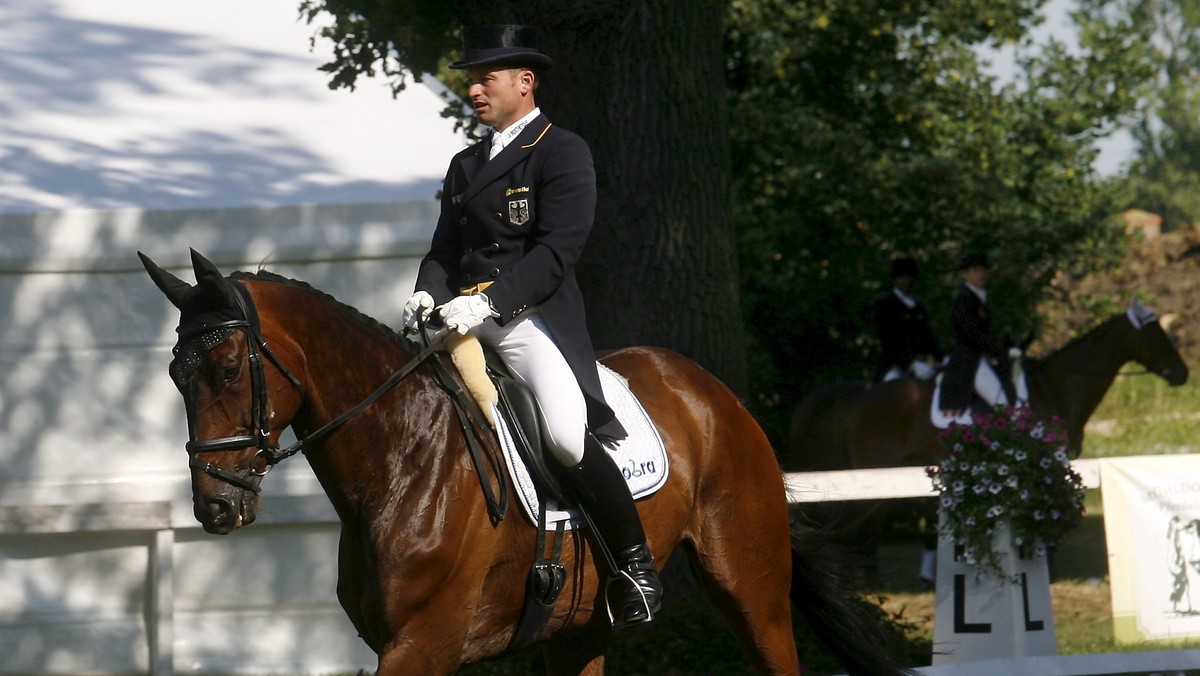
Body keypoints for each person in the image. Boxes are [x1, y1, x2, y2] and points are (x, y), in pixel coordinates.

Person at [400, 24, 662, 628]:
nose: (473, 89)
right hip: (459, 321)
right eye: (470, 79)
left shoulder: (561, 150)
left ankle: (634, 564)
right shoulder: (465, 164)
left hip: (526, 319)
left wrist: (489, 304)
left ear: (525, 81)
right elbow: (443, 251)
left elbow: (556, 253)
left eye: (485, 78)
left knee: (568, 437)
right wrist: (425, 292)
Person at [939, 252, 1018, 412]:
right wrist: (999, 349)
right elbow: (972, 335)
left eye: (984, 270)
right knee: (1002, 402)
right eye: (976, 270)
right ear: (965, 274)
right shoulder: (963, 300)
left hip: (984, 358)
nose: (981, 274)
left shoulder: (981, 299)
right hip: (970, 362)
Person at [872, 257, 943, 382]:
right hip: (894, 365)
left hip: (921, 362)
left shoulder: (917, 307)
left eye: (909, 277)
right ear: (895, 279)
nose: (906, 281)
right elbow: (888, 340)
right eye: (902, 277)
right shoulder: (885, 305)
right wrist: (908, 364)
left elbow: (928, 337)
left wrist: (940, 358)